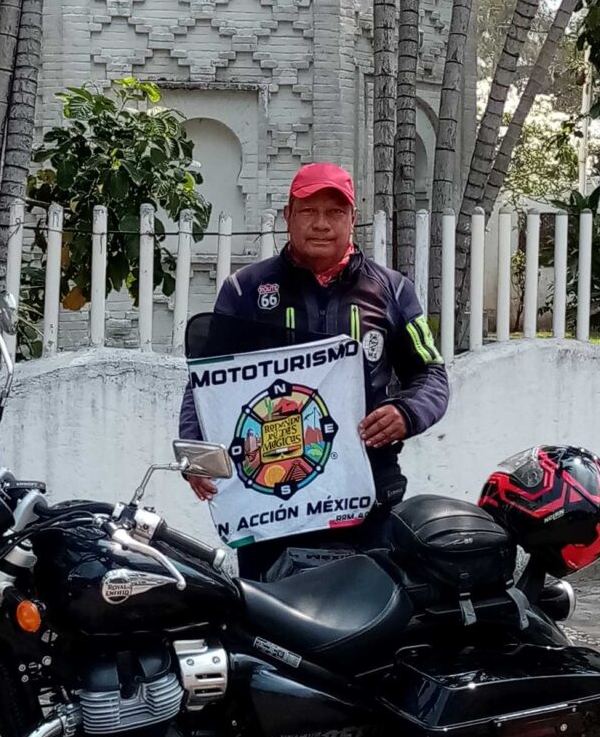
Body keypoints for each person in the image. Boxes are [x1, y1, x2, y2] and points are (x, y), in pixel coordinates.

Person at [179, 163, 449, 571]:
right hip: (269, 500)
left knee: (367, 619)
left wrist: (406, 412)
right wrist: (197, 455)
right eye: (308, 211)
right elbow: (207, 383)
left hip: (367, 493)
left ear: (352, 219)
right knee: (271, 625)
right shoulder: (244, 290)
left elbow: (431, 374)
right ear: (288, 217)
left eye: (334, 212)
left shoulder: (393, 290)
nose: (321, 224)